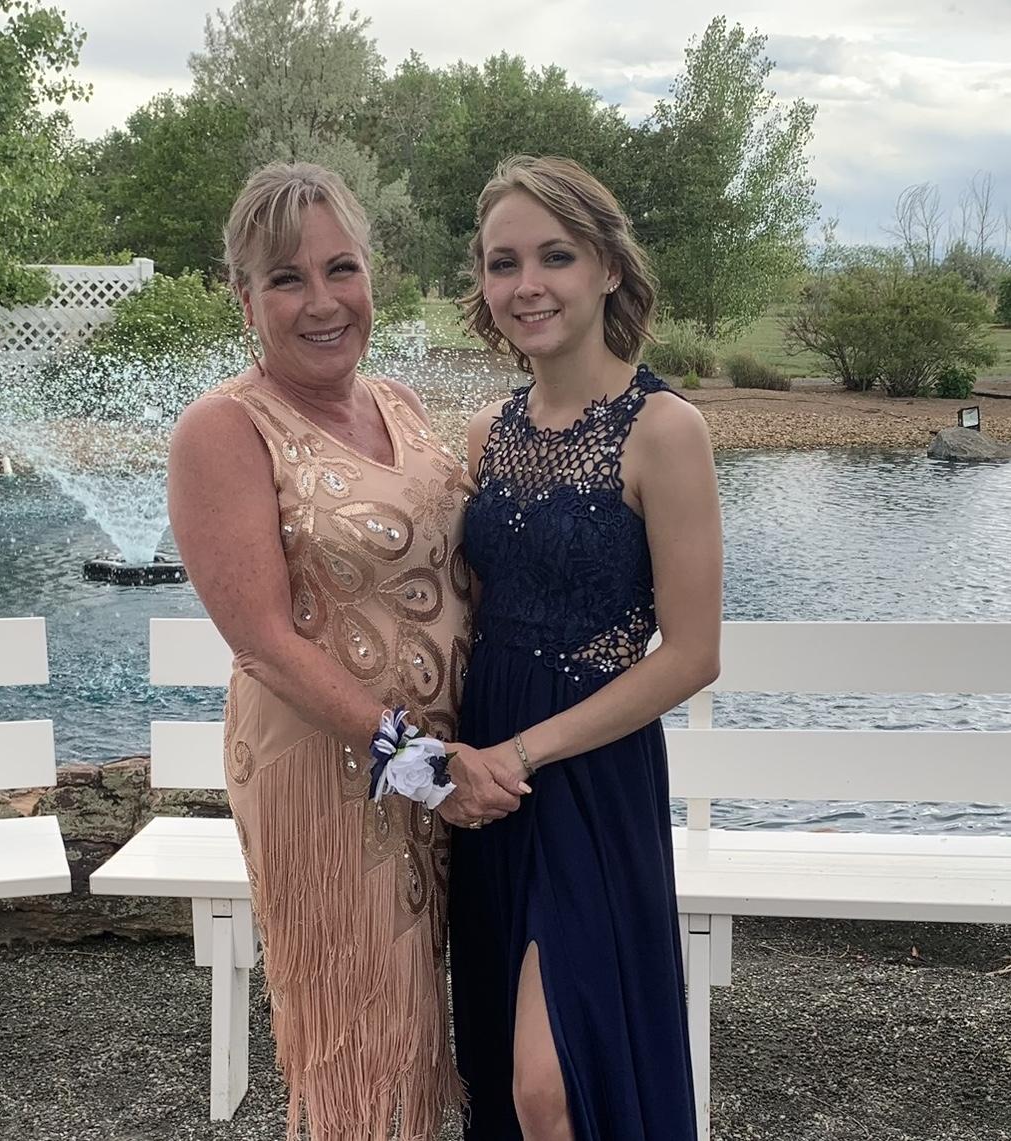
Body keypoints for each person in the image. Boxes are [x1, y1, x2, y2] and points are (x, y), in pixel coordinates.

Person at [166, 162, 522, 1141]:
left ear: (372, 274)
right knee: (365, 1050)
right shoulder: (224, 429)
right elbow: (264, 644)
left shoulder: (399, 401)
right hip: (337, 776)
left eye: (341, 268)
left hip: (452, 768)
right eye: (286, 278)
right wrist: (422, 767)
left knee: (445, 1028)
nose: (321, 302)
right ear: (244, 299)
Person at [445, 154, 723, 1141]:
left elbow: (691, 654)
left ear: (607, 266)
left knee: (550, 1083)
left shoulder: (665, 430)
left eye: (554, 256)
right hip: (483, 772)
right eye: (503, 263)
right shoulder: (483, 432)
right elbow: (457, 613)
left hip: (588, 773)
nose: (527, 285)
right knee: (500, 1070)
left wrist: (525, 751)